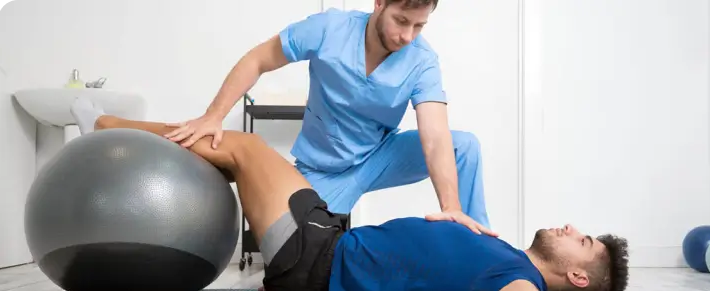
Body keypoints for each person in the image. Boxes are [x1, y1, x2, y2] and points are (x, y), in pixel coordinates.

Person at [70, 99, 630, 291]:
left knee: (241, 147)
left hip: (317, 261)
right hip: (326, 240)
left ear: (578, 277)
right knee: (242, 154)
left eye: (582, 240)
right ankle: (113, 131)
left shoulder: (521, 286)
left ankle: (106, 125)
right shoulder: (504, 253)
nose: (570, 227)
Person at [160, 0, 496, 236]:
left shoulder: (422, 60)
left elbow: (434, 135)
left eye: (419, 26)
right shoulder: (329, 29)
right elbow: (258, 59)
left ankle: (481, 249)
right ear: (379, 4)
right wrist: (213, 116)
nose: (408, 36)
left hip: (379, 157)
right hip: (322, 171)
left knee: (463, 146)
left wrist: (451, 207)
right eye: (401, 21)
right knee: (291, 259)